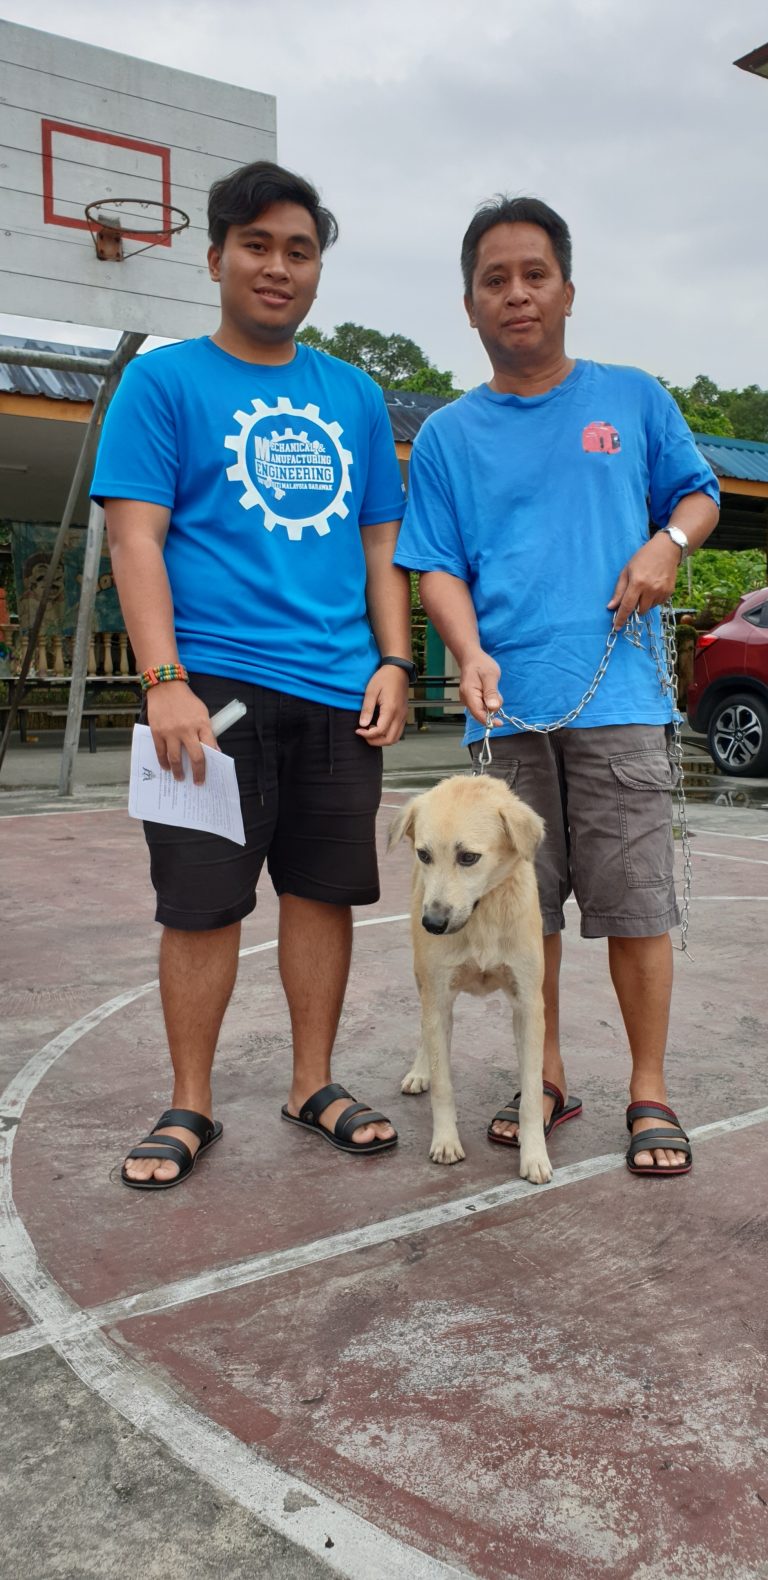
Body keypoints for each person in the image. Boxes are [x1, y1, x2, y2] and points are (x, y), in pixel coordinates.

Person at [92, 161, 413, 1188]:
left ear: (317, 269)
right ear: (216, 258)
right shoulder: (162, 383)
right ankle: (189, 1101)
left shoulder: (353, 394)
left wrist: (395, 659)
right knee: (199, 902)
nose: (279, 267)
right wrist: (163, 678)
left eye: (299, 251)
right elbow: (135, 538)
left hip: (336, 690)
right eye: (258, 246)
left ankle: (311, 1083)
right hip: (209, 694)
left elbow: (381, 544)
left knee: (323, 894)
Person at [393, 196, 719, 1177]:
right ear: (469, 305)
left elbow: (699, 495)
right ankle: (547, 1077)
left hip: (619, 703)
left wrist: (668, 544)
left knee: (635, 905)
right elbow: (434, 565)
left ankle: (649, 1090)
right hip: (505, 714)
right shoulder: (448, 435)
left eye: (534, 274)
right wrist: (465, 649)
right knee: (515, 913)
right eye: (494, 280)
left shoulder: (633, 399)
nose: (517, 293)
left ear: (568, 290)